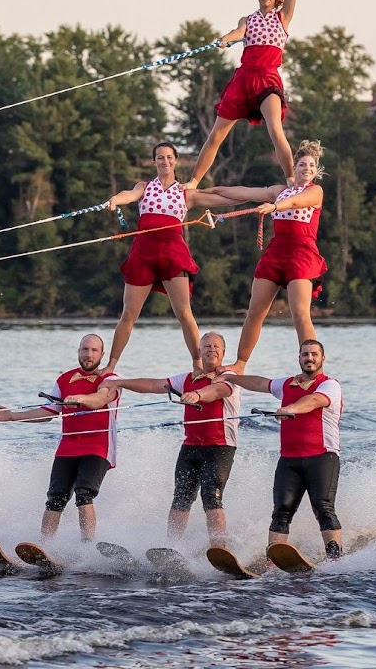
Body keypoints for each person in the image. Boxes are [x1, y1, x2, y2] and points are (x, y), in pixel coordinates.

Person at [182, 0, 318, 191]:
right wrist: (225, 38)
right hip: (244, 78)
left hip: (268, 79)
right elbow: (237, 33)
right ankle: (193, 182)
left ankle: (290, 179)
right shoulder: (248, 19)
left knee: (274, 129)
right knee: (216, 134)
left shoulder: (283, 17)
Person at [104, 141, 244, 374]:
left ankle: (197, 363)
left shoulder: (186, 192)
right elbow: (128, 194)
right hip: (143, 254)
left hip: (173, 254)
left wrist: (261, 198)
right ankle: (111, 365)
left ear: (175, 160)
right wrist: (115, 200)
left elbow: (225, 198)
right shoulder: (144, 186)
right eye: (160, 157)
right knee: (128, 313)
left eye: (169, 157)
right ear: (154, 161)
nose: (165, 161)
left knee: (184, 312)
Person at [200, 140, 327, 373]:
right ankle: (240, 363)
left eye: (311, 165)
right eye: (302, 164)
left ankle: (313, 368)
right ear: (294, 168)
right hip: (276, 252)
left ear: (316, 170)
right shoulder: (280, 191)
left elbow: (297, 202)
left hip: (301, 254)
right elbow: (244, 192)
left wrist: (275, 207)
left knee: (300, 313)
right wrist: (206, 191)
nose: (306, 168)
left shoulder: (314, 191)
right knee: (255, 310)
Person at [103, 332, 241, 547]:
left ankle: (219, 547)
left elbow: (215, 391)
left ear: (223, 353)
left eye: (216, 346)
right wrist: (120, 382)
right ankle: (173, 546)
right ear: (199, 352)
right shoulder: (186, 379)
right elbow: (153, 385)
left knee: (211, 496)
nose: (211, 349)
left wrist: (197, 395)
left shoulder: (229, 377)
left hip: (220, 447)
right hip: (191, 446)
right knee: (181, 498)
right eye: (206, 346)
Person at [0, 334, 120, 543]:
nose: (89, 354)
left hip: (98, 447)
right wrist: (12, 416)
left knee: (84, 493)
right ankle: (44, 547)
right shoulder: (64, 379)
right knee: (55, 498)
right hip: (67, 447)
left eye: (94, 350)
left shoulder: (111, 379)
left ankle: (88, 548)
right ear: (78, 352)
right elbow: (49, 412)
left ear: (102, 355)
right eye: (84, 349)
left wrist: (80, 399)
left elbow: (100, 399)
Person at [230, 339, 343, 560]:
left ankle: (335, 560)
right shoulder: (287, 384)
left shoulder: (329, 385)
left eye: (314, 354)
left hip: (322, 458)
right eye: (304, 354)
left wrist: (289, 408)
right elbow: (261, 383)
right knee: (281, 510)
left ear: (322, 359)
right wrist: (230, 378)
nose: (309, 358)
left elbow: (313, 401)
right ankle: (274, 563)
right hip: (289, 461)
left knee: (323, 507)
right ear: (299, 358)